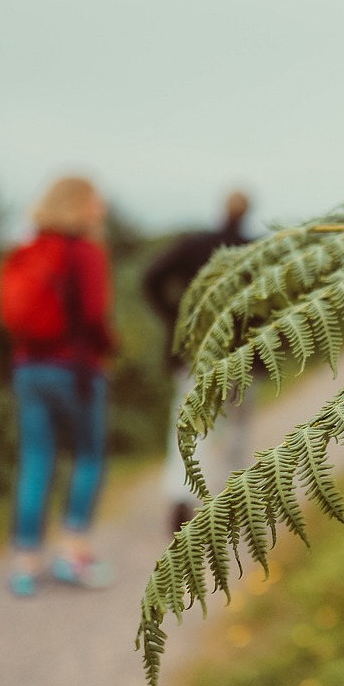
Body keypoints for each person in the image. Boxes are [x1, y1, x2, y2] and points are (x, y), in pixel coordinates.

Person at [2, 175, 118, 597]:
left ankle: (25, 563)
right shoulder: (85, 252)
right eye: (96, 200)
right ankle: (73, 554)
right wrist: (111, 348)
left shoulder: (27, 248)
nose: (101, 207)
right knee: (88, 455)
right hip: (77, 369)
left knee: (35, 460)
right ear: (80, 205)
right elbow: (93, 315)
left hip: (29, 369)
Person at [142, 190, 255, 533]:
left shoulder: (193, 245)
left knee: (190, 429)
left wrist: (175, 317)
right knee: (237, 428)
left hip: (195, 351)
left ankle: (181, 497)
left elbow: (151, 279)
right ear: (248, 211)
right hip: (245, 353)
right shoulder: (257, 250)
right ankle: (231, 501)